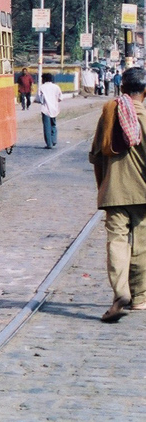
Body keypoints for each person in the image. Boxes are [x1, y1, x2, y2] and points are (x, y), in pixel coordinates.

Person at [88, 66, 146, 322]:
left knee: (117, 242)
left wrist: (103, 185)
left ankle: (121, 292)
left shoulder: (110, 112)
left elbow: (96, 155)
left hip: (114, 191)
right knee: (142, 245)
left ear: (122, 89)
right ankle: (140, 298)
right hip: (143, 193)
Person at [37, 72, 62, 148]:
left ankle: (49, 144)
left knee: (47, 126)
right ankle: (54, 140)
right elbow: (60, 98)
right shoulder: (56, 87)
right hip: (54, 109)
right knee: (53, 125)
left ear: (44, 79)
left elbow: (38, 99)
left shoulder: (42, 87)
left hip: (45, 109)